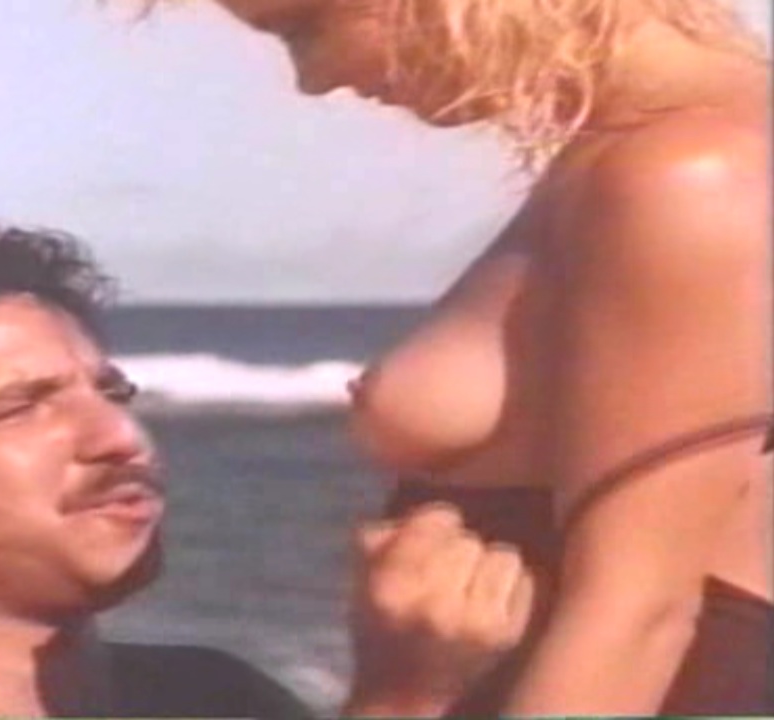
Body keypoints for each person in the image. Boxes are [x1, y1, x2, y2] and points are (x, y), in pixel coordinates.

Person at [133, 0, 773, 715]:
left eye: (305, 28)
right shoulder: (648, 153)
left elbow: (638, 617)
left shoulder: (687, 174)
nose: (312, 80)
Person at [0, 224, 531, 718]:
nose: (119, 438)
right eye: (19, 408)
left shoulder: (206, 696)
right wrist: (403, 700)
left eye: (112, 393)